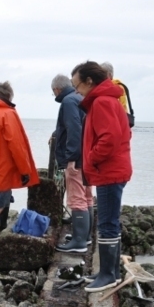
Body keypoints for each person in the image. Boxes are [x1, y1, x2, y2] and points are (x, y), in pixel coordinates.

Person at [71, 61, 133, 293]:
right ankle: (111, 272)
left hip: (109, 171)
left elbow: (109, 138)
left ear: (89, 81)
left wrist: (91, 159)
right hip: (114, 169)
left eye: (77, 85)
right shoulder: (109, 100)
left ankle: (108, 275)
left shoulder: (102, 102)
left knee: (107, 222)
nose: (76, 91)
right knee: (110, 221)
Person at [0, 81, 39, 240]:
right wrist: (25, 170)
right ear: (9, 97)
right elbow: (17, 145)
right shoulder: (7, 114)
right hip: (2, 170)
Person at [49, 73, 92, 253]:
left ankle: (79, 241)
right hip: (87, 156)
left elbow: (74, 128)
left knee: (76, 199)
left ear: (57, 89)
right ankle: (86, 237)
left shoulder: (67, 102)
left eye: (53, 92)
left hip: (76, 158)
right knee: (87, 196)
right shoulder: (80, 97)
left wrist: (71, 157)